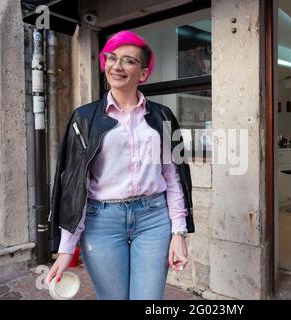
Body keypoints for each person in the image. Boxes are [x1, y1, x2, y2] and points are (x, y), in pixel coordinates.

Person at [45, 30, 194, 300]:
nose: (117, 65)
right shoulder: (84, 118)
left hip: (154, 219)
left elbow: (174, 176)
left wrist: (179, 232)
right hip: (101, 222)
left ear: (144, 73)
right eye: (112, 58)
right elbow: (73, 184)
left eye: (128, 60)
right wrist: (66, 248)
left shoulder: (163, 116)